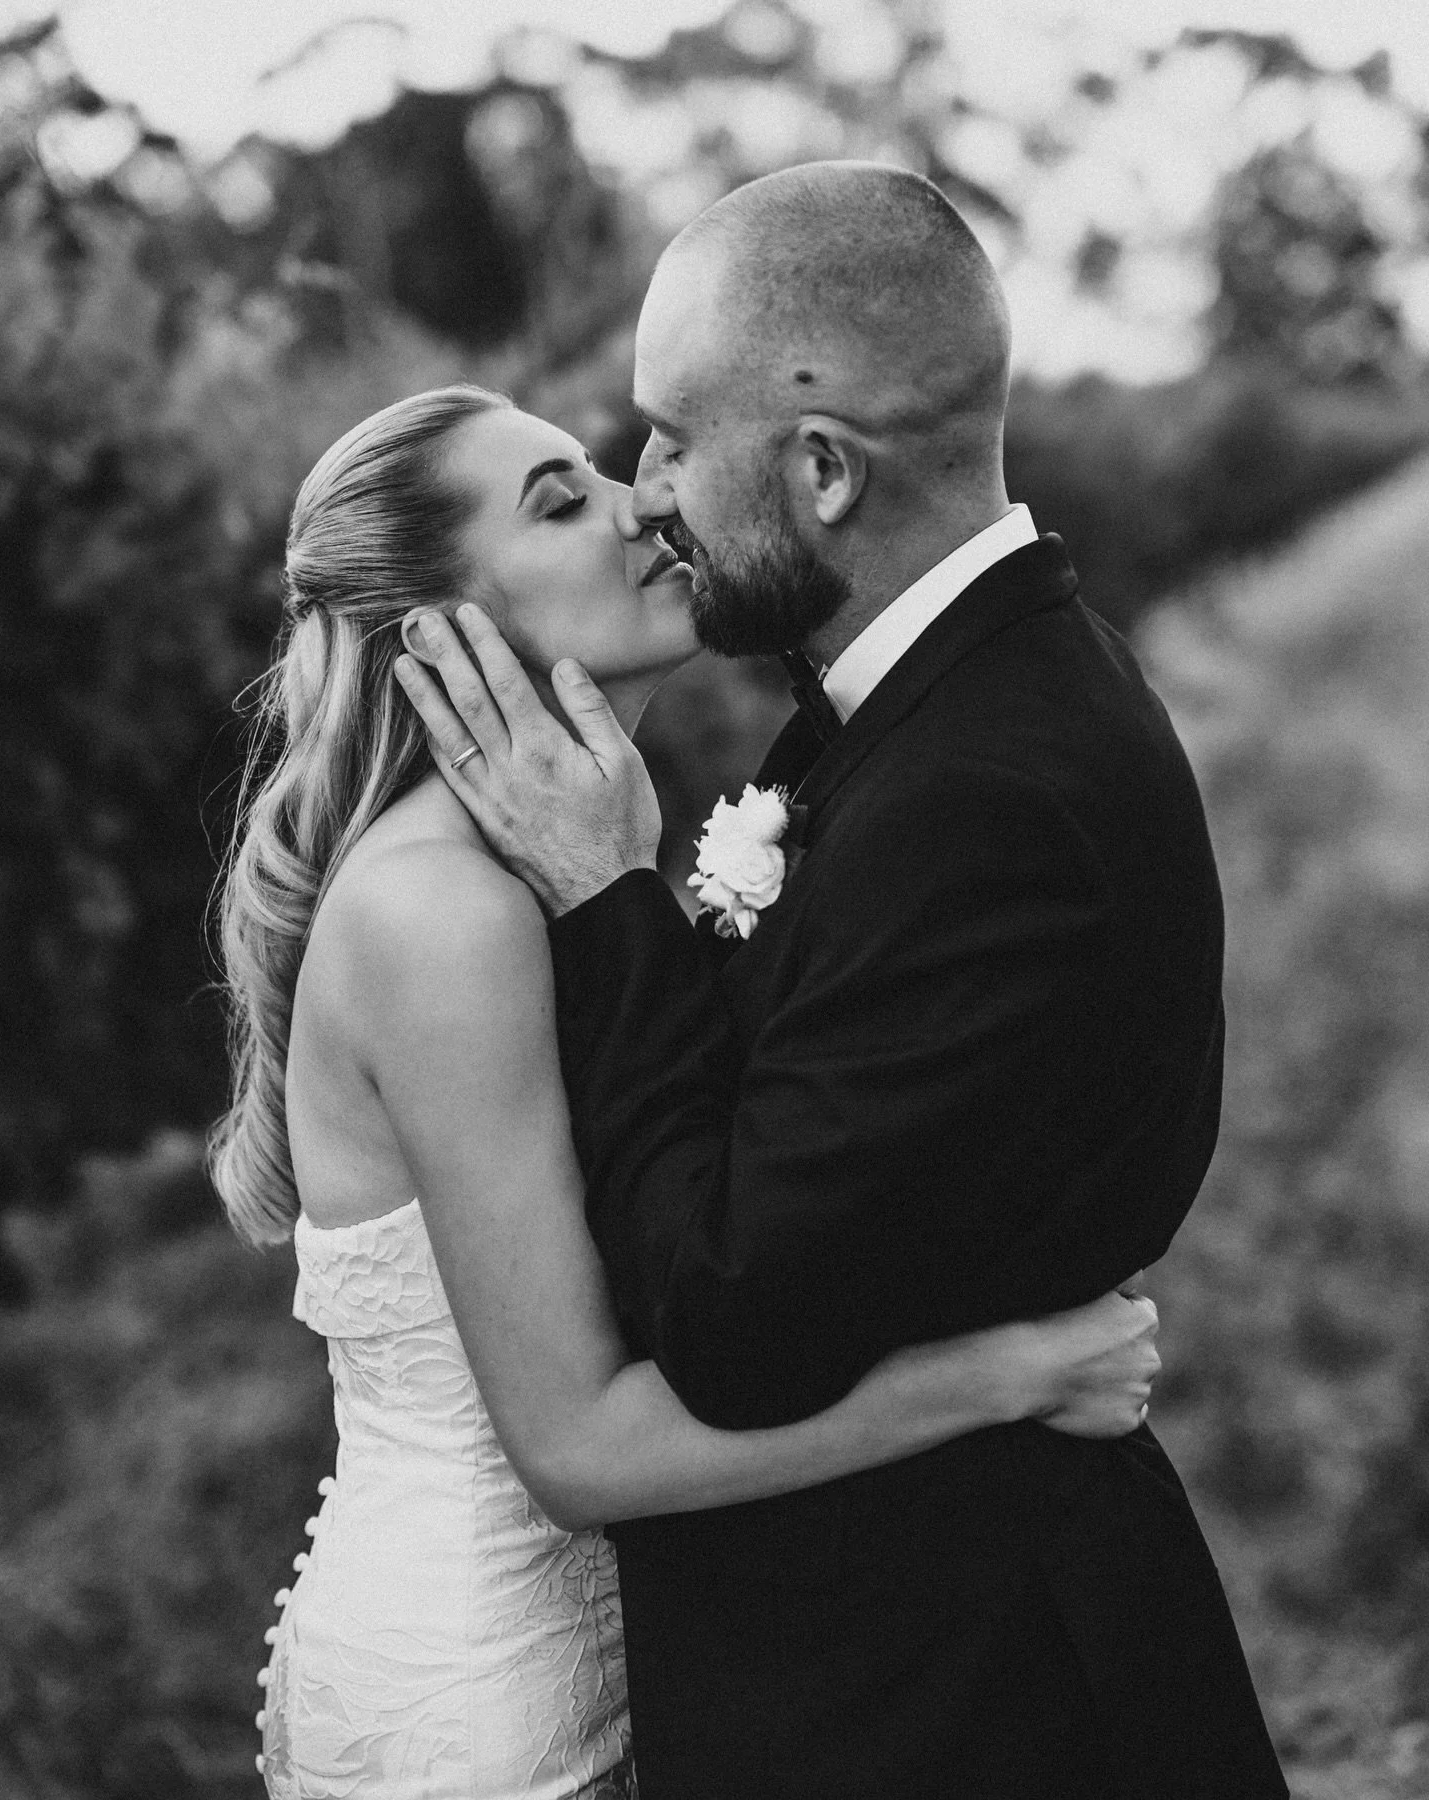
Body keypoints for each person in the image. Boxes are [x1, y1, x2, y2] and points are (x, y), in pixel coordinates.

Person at [397, 163, 1290, 1798]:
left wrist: (611, 901)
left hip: (957, 1704)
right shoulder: (923, 706)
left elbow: (733, 1314)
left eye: (672, 434)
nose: (643, 489)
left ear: (818, 469)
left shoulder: (987, 791)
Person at [209, 383, 1164, 1800]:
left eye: (600, 472)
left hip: (631, 1658)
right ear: (440, 634)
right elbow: (579, 1451)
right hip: (493, 1713)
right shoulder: (440, 919)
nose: (642, 501)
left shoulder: (556, 870)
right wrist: (1005, 1374)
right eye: (560, 500)